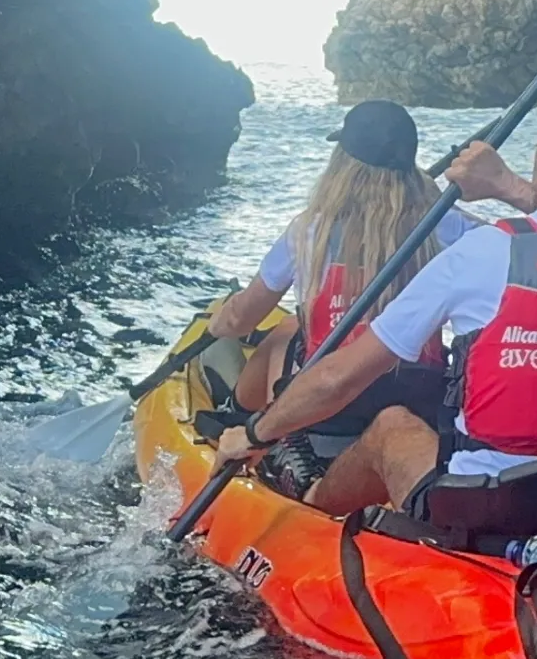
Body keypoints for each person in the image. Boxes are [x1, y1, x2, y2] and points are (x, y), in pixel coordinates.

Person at [219, 83, 537, 519]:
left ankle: (313, 502)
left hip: (489, 504)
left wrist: (256, 433)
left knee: (391, 427)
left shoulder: (479, 253)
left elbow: (337, 378)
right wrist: (504, 185)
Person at [201, 98, 471, 444]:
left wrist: (216, 324)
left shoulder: (309, 231)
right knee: (288, 327)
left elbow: (242, 319)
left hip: (327, 405)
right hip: (418, 394)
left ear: (342, 165)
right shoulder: (445, 226)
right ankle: (242, 414)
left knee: (286, 333)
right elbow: (515, 243)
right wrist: (440, 199)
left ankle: (242, 419)